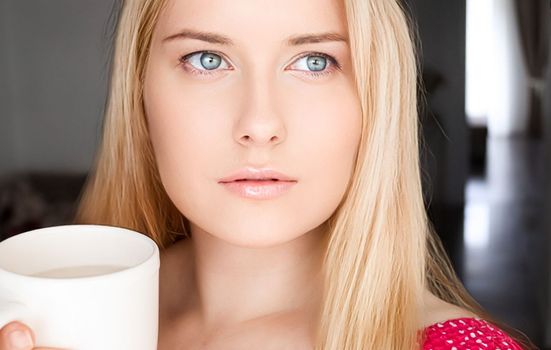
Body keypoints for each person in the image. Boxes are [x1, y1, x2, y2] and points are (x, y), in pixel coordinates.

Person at [0, 0, 537, 349]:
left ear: (376, 96)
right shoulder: (39, 319)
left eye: (315, 62)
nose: (259, 124)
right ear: (140, 94)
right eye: (207, 59)